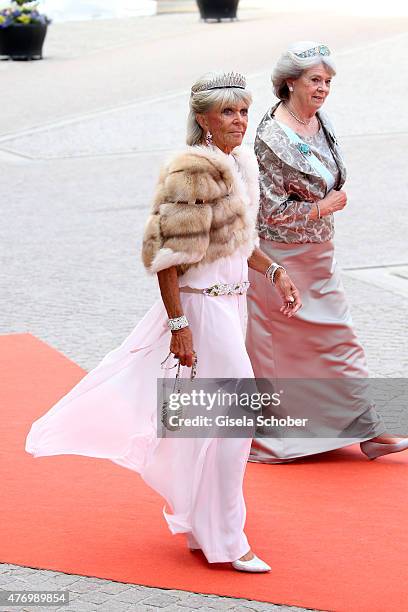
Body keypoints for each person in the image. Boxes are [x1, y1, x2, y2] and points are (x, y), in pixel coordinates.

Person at [25, 71, 302, 572]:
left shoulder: (239, 163)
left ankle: (202, 525)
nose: (239, 120)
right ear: (203, 119)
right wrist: (180, 326)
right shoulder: (193, 170)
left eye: (243, 110)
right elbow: (167, 258)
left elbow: (239, 244)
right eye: (227, 112)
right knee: (237, 419)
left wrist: (276, 271)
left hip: (232, 304)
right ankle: (227, 538)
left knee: (209, 423)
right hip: (202, 306)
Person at [246, 42, 408, 464]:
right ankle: (277, 439)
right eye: (315, 80)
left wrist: (324, 210)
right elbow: (270, 210)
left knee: (338, 342)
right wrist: (323, 206)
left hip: (319, 252)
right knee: (283, 352)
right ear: (289, 83)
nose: (323, 88)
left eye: (328, 81)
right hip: (281, 259)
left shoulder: (321, 122)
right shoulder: (270, 136)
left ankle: (367, 431)